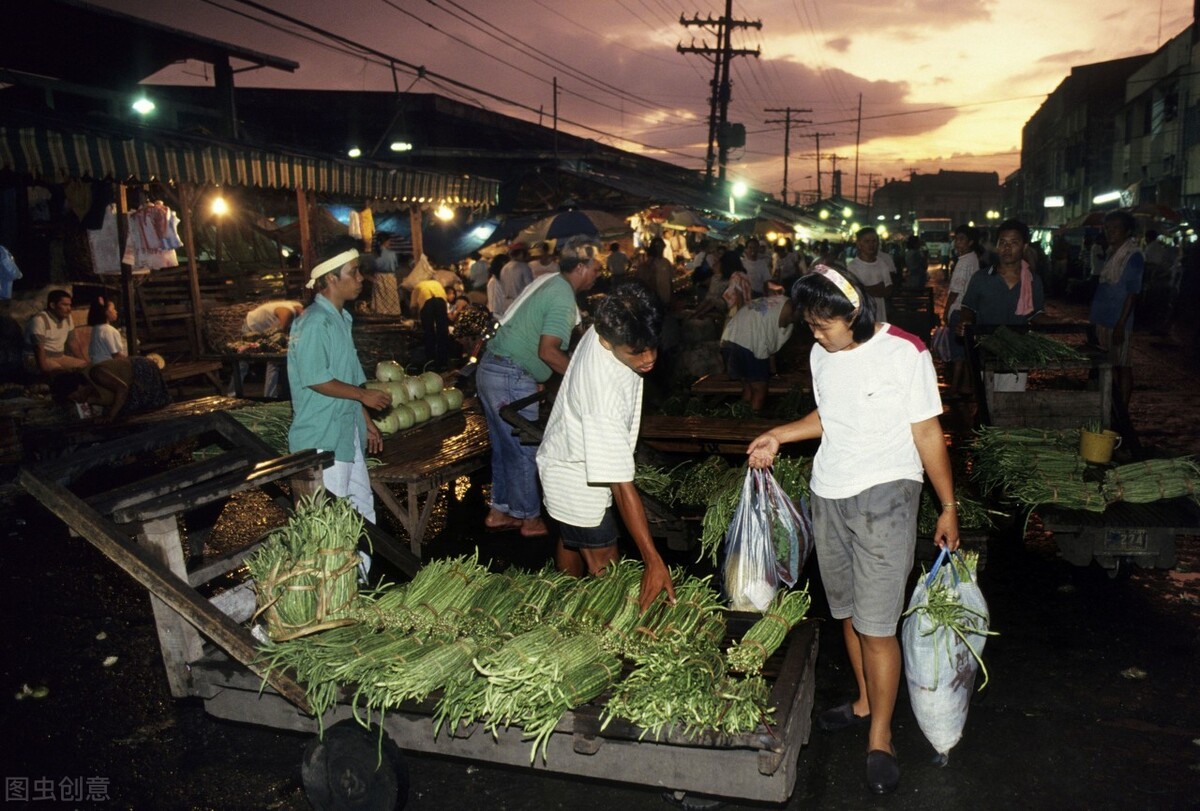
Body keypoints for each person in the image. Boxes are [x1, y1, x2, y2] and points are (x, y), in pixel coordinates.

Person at [746, 264, 959, 796]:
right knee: (846, 611)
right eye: (811, 327)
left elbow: (927, 430)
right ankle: (864, 701)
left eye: (823, 325)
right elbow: (831, 415)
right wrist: (779, 434)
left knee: (878, 624)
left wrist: (948, 505)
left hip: (888, 494)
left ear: (853, 312)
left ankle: (881, 736)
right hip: (829, 494)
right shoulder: (824, 354)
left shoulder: (905, 351)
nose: (815, 336)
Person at [536, 281, 676, 612]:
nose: (648, 359)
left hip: (566, 453)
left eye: (652, 347)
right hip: (575, 476)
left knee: (573, 540)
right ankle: (601, 634)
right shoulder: (603, 396)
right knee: (606, 571)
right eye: (636, 352)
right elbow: (621, 485)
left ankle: (562, 609)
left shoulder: (614, 323)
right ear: (605, 340)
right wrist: (652, 559)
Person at [476, 236, 602, 539]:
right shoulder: (562, 296)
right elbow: (549, 352)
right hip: (509, 373)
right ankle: (530, 519)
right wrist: (586, 379)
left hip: (491, 369)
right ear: (582, 267)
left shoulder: (549, 282)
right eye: (596, 268)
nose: (599, 274)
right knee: (524, 448)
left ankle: (500, 511)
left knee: (505, 447)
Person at [287, 240, 392, 526]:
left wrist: (367, 420)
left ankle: (363, 572)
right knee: (332, 522)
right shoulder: (313, 322)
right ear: (331, 278)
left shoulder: (341, 319)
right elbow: (316, 378)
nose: (361, 279)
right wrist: (363, 395)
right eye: (353, 272)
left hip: (347, 433)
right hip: (322, 437)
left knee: (361, 510)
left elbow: (347, 381)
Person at [957, 219, 1046, 394]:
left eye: (1014, 243)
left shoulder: (1033, 280)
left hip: (1018, 355)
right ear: (997, 245)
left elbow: (1036, 315)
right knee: (986, 406)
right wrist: (965, 321)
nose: (1007, 248)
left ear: (1024, 246)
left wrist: (1059, 321)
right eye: (1003, 242)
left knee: (1011, 406)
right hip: (986, 353)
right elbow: (968, 307)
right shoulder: (981, 278)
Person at [1090, 211, 1143, 416]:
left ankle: (1122, 411)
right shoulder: (1113, 252)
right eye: (1108, 229)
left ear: (1127, 230)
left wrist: (1121, 324)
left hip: (1118, 320)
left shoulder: (1133, 256)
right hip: (1102, 318)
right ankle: (1112, 407)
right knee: (1108, 366)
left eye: (1115, 229)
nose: (1110, 232)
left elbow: (1133, 293)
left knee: (1123, 365)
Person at [720, 285, 797, 413]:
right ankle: (751, 425)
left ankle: (740, 420)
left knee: (749, 388)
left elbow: (770, 346)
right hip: (749, 343)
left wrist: (773, 373)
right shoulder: (789, 307)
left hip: (730, 339)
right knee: (760, 390)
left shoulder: (775, 302)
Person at [50, 356, 171, 423]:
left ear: (79, 387)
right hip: (131, 385)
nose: (77, 400)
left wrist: (110, 416)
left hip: (141, 370)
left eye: (75, 397)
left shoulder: (96, 373)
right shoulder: (88, 398)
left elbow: (122, 388)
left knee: (135, 409)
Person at [943, 225, 983, 396]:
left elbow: (955, 291)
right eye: (956, 239)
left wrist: (946, 311)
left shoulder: (963, 261)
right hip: (969, 309)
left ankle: (954, 388)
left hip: (958, 309)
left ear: (970, 242)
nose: (956, 243)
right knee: (966, 350)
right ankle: (967, 385)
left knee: (957, 352)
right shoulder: (974, 259)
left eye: (961, 239)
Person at [239, 299, 303, 398]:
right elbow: (279, 331)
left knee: (274, 361)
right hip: (252, 327)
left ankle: (270, 396)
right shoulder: (287, 312)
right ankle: (232, 394)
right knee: (243, 362)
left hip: (267, 330)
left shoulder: (298, 308)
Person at [24, 289, 87, 375]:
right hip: (37, 358)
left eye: (69, 305)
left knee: (85, 368)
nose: (69, 309)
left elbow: (72, 343)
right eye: (64, 305)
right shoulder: (40, 320)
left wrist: (85, 362)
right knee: (60, 374)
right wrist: (46, 371)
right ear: (52, 305)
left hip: (59, 357)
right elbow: (38, 349)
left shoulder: (67, 318)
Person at [847, 228, 895, 320]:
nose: (871, 245)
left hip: (880, 315)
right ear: (859, 244)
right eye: (867, 241)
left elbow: (888, 290)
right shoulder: (853, 266)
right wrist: (877, 287)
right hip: (862, 316)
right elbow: (856, 293)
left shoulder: (882, 263)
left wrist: (866, 288)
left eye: (874, 241)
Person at [410, 278, 452, 371]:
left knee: (429, 331)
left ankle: (430, 360)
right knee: (442, 330)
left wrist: (415, 319)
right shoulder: (437, 283)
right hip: (441, 302)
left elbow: (413, 307)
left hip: (427, 302)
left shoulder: (416, 287)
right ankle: (443, 360)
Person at [1140, 230, 1177, 335]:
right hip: (1160, 279)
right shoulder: (1159, 247)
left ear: (1148, 237)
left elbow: (1151, 264)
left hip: (1155, 279)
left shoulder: (1151, 247)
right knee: (1156, 303)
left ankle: (1150, 324)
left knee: (1152, 301)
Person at [496, 242, 534, 316]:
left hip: (507, 304)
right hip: (520, 303)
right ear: (521, 254)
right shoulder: (524, 266)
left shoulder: (504, 268)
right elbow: (530, 286)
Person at [87, 296, 126, 363]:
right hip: (109, 367)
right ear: (106, 312)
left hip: (98, 366)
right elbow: (116, 355)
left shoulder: (96, 329)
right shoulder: (109, 330)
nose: (115, 311)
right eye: (113, 309)